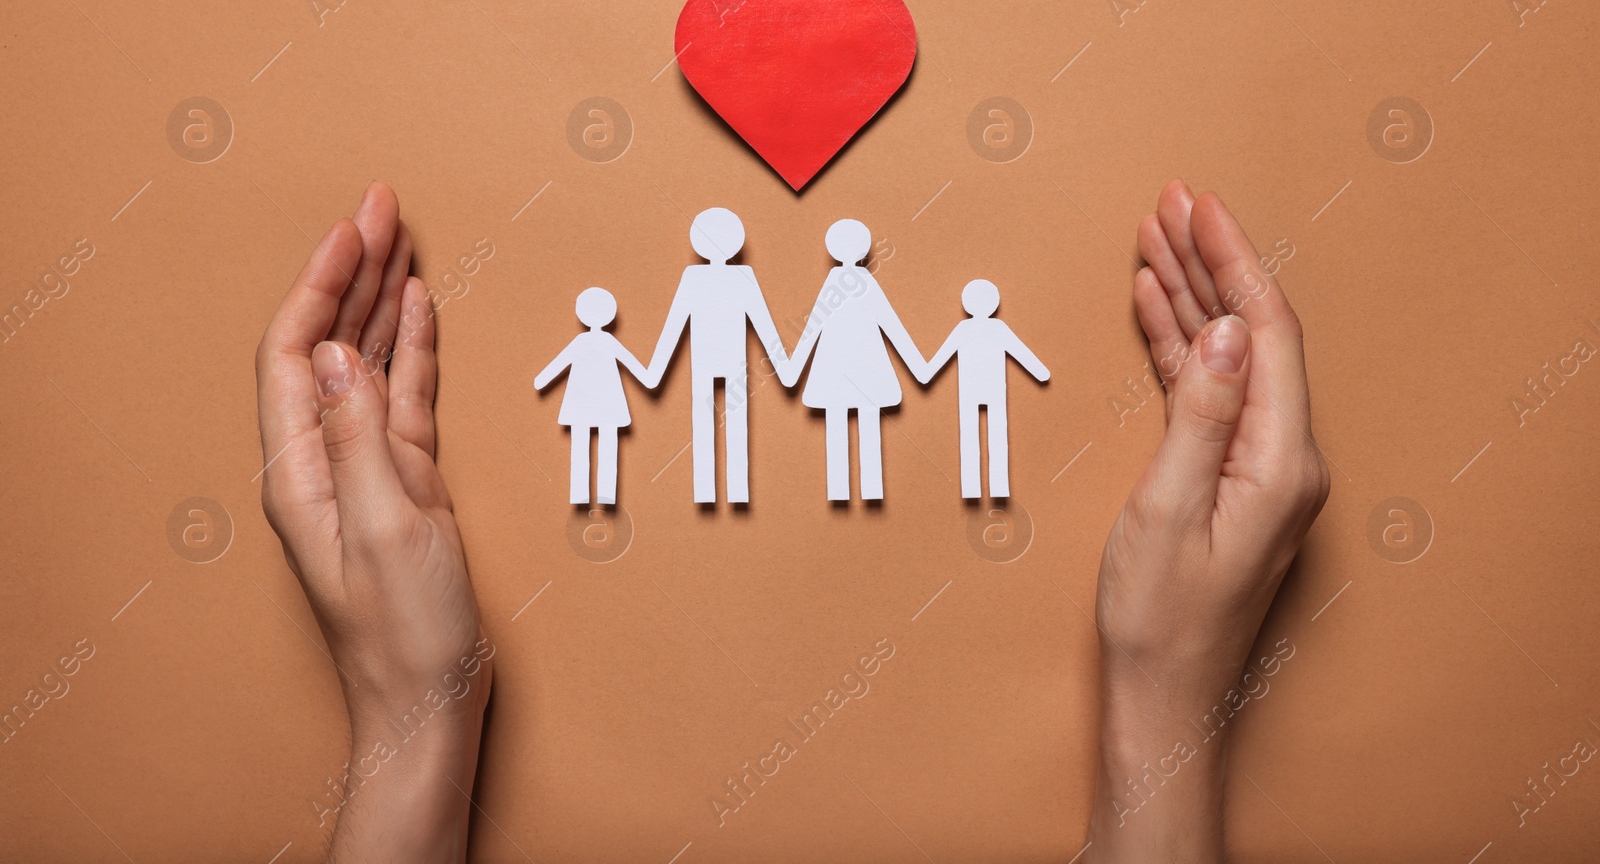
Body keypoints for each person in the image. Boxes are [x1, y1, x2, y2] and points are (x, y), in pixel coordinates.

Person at [254, 180, 1328, 863]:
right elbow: (705, 332)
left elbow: (798, 328)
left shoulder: (835, 296)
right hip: (746, 381)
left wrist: (414, 716)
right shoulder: (744, 296)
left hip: (811, 377)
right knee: (720, 443)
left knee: (788, 439)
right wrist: (1166, 692)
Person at [646, 207, 788, 504]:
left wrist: (655, 371)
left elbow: (675, 325)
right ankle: (729, 491)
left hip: (715, 361)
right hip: (725, 360)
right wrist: (784, 368)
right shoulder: (736, 276)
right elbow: (762, 323)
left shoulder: (701, 277)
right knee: (731, 421)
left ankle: (715, 491)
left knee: (707, 422)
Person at [780, 218, 928, 501]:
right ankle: (865, 488)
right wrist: (919, 367)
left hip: (836, 370)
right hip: (863, 370)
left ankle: (845, 489)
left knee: (840, 422)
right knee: (866, 421)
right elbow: (890, 325)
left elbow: (812, 326)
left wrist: (793, 367)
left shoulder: (839, 282)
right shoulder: (862, 282)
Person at [921, 278, 1050, 499]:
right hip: (992, 391)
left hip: (971, 392)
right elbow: (1021, 352)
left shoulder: (965, 329)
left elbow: (939, 359)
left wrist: (925, 372)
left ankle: (974, 487)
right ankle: (995, 486)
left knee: (970, 437)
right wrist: (1040, 372)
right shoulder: (996, 328)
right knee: (996, 436)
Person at [534, 286, 653, 505]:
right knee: (608, 445)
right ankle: (604, 494)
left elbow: (559, 364)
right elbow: (633, 366)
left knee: (581, 446)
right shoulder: (607, 341)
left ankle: (582, 494)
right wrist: (649, 377)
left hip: (582, 404)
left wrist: (542, 379)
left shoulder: (582, 342)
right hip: (608, 403)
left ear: (582, 313)